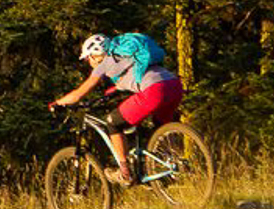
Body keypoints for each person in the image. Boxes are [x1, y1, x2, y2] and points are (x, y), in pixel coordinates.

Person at [49, 33, 183, 186]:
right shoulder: (126, 54)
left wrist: (57, 103)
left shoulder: (104, 65)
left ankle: (125, 172)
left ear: (94, 56)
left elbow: (79, 94)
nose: (88, 62)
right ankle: (173, 160)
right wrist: (114, 91)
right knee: (160, 126)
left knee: (112, 121)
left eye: (87, 59)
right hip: (174, 85)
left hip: (155, 90)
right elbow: (132, 75)